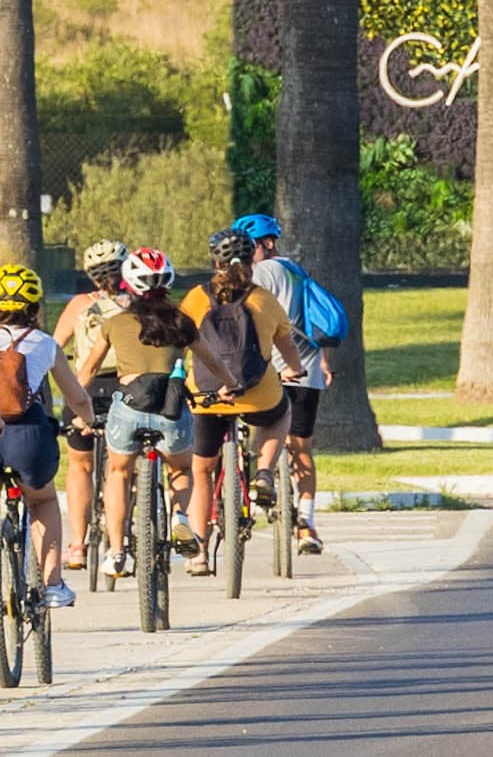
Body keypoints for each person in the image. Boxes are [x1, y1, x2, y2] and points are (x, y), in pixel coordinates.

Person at [175, 233, 305, 576]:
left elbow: (179, 343)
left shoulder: (196, 299)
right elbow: (287, 347)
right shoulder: (264, 300)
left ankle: (199, 553)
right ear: (253, 261)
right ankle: (263, 470)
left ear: (214, 262)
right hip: (256, 393)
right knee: (281, 415)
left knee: (201, 472)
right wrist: (294, 369)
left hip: (208, 398)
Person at [73, 249, 196, 583]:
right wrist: (230, 385)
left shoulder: (115, 322)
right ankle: (179, 514)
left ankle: (116, 553)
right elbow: (212, 362)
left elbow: (89, 368)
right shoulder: (182, 322)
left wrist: (76, 409)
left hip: (129, 407)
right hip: (170, 407)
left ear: (129, 284)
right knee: (182, 467)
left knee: (118, 473)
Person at [0, 262, 74, 614]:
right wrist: (86, 421)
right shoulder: (45, 343)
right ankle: (53, 585)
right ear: (36, 303)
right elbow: (76, 396)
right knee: (42, 502)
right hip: (28, 436)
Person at [236, 213, 335, 554]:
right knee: (302, 449)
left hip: (269, 370)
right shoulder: (296, 270)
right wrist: (322, 359)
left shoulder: (258, 275)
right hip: (307, 369)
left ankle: (252, 491)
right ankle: (306, 524)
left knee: (257, 437)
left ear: (260, 245)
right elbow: (312, 316)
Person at [51, 241, 131, 554]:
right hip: (124, 389)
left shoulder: (79, 304)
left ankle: (78, 544)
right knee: (118, 468)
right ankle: (116, 543)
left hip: (83, 387)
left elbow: (55, 345)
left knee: (80, 466)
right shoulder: (134, 304)